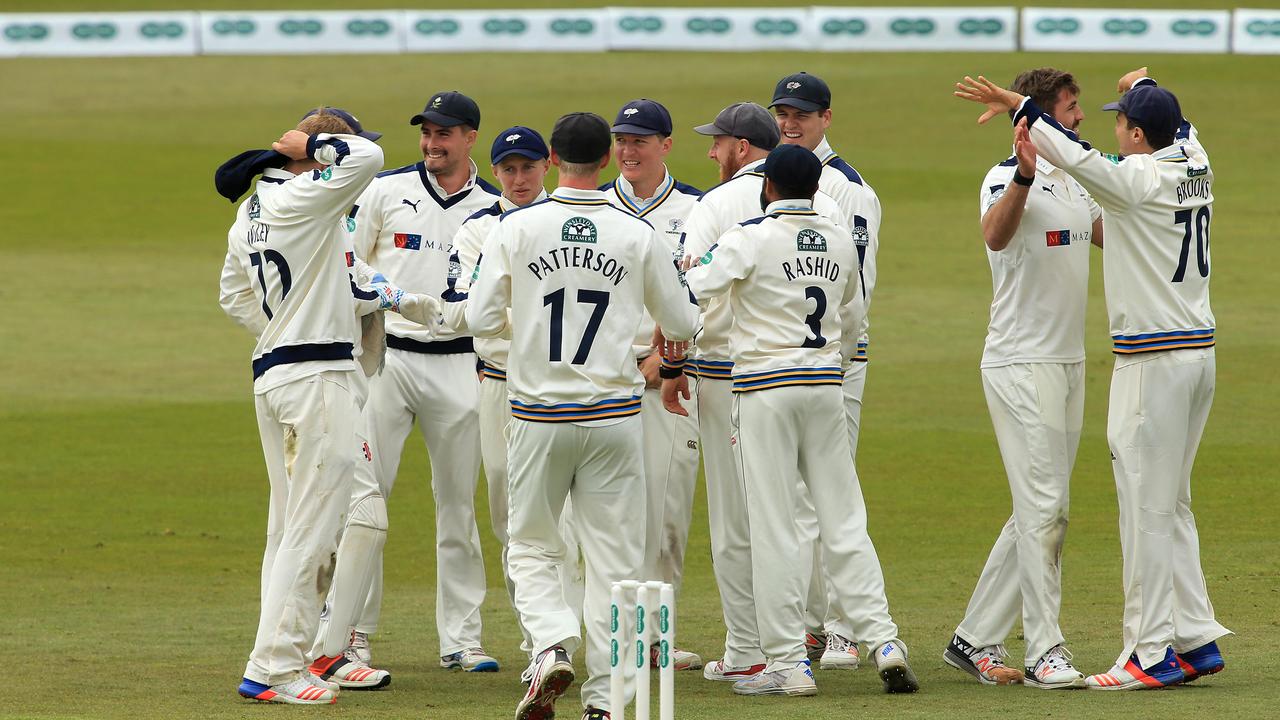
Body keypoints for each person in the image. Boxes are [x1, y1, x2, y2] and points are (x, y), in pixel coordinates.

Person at [956, 66, 1229, 690]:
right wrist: (1151, 83)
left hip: (1153, 364)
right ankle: (1195, 637)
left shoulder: (1133, 178)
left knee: (1146, 510)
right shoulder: (1195, 157)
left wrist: (1019, 105)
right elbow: (1174, 122)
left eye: (1119, 120)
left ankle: (1148, 653)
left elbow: (1075, 154)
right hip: (1198, 357)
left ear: (1137, 134)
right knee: (1171, 503)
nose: (1105, 126)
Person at [466, 112, 700, 720]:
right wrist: (652, 348)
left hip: (539, 414)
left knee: (533, 546)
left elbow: (477, 320)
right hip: (616, 415)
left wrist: (522, 344)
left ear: (550, 157)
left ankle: (549, 644)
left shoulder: (516, 229)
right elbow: (683, 323)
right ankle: (607, 702)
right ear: (607, 159)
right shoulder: (634, 233)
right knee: (617, 566)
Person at [680, 143, 915, 697]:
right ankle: (883, 640)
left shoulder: (748, 237)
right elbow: (854, 317)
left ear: (766, 188)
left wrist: (689, 269)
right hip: (825, 386)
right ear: (816, 190)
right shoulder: (838, 239)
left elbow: (692, 289)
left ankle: (787, 661)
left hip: (766, 390)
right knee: (843, 517)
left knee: (774, 525)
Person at [664, 101, 842, 684]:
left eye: (717, 143)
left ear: (743, 148)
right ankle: (798, 639)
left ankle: (752, 650)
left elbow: (687, 293)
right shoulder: (825, 203)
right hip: (812, 373)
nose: (711, 152)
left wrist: (671, 364)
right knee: (795, 515)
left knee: (737, 523)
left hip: (727, 375)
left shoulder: (713, 206)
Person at [943, 68, 1103, 690]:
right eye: (1070, 106)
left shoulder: (1078, 178)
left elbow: (1109, 234)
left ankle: (975, 637)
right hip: (1018, 361)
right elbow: (995, 235)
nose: (1081, 116)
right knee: (1046, 507)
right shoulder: (1000, 177)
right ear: (1039, 116)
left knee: (1041, 508)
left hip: (1067, 361)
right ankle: (1045, 651)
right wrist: (1026, 175)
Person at [219, 108, 383, 704]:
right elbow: (368, 159)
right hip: (316, 377)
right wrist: (317, 144)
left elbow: (232, 293)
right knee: (313, 527)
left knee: (290, 527)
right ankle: (276, 668)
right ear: (311, 155)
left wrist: (284, 324)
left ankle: (277, 659)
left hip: (278, 374)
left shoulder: (252, 211)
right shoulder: (305, 198)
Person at [351, 91, 502, 672]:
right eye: (426, 133)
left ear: (469, 138)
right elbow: (349, 263)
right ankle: (353, 633)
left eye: (445, 133)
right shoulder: (385, 191)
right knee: (366, 502)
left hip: (461, 365)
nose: (432, 143)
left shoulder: (492, 208)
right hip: (388, 361)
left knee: (458, 507)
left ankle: (462, 638)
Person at [769, 71, 884, 670]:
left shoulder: (847, 189)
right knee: (798, 503)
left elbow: (855, 288)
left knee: (830, 499)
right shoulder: (776, 180)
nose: (790, 123)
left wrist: (837, 362)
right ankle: (814, 623)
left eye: (802, 115)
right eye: (783, 114)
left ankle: (842, 627)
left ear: (826, 119)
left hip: (834, 364)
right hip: (792, 367)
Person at [439, 125, 553, 661]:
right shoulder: (476, 229)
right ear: (497, 172)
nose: (519, 178)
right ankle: (537, 640)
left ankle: (568, 634)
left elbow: (491, 310)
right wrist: (534, 322)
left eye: (528, 167)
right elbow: (467, 309)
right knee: (508, 511)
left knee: (568, 518)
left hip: (561, 386)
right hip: (501, 384)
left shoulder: (566, 223)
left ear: (547, 166)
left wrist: (513, 317)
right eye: (508, 169)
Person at [599, 98, 704, 672]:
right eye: (621, 140)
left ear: (666, 145)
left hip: (669, 384)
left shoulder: (694, 208)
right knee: (608, 518)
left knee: (667, 517)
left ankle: (656, 638)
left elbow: (701, 296)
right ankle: (610, 637)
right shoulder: (596, 210)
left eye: (640, 140)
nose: (628, 150)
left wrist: (667, 360)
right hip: (601, 388)